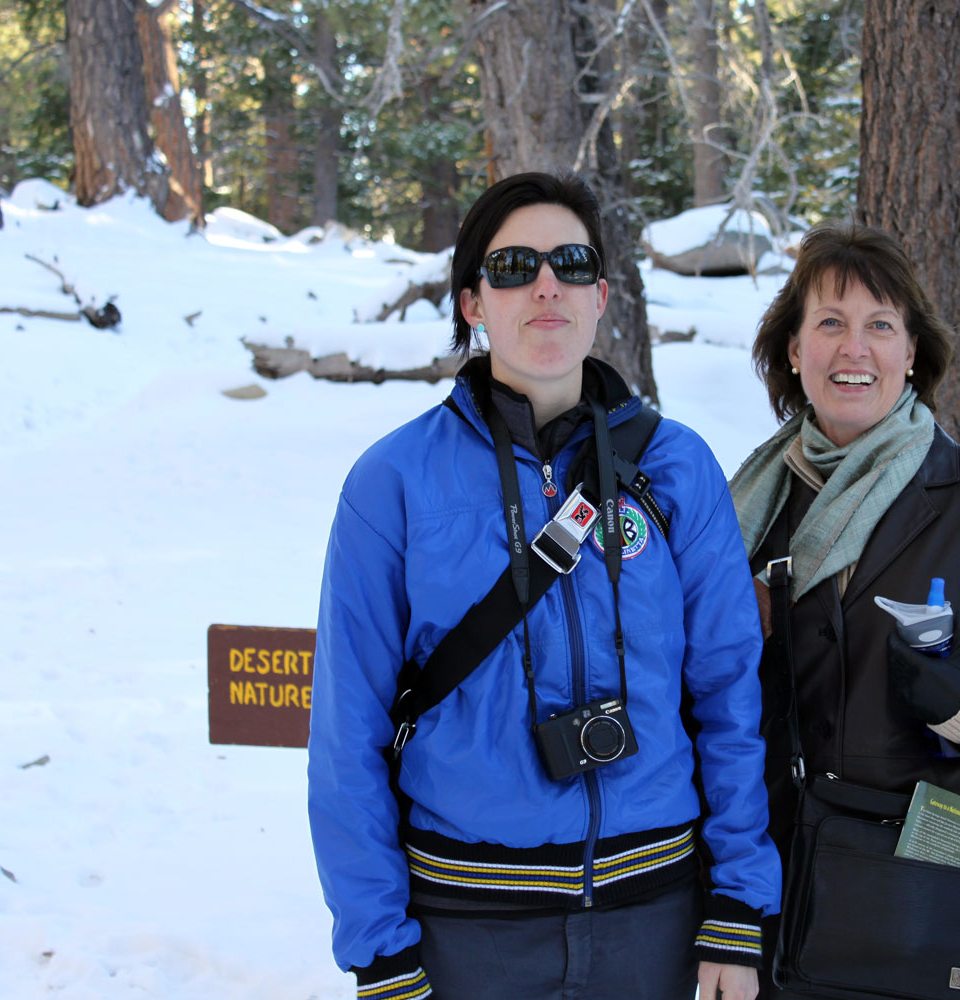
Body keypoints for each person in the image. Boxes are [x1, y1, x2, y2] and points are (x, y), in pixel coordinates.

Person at [309, 171, 779, 1000]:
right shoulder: (395, 483)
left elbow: (730, 693)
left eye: (571, 262)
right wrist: (380, 954)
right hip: (468, 929)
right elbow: (348, 731)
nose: (546, 285)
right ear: (473, 303)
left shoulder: (677, 468)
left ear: (602, 296)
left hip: (655, 921)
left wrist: (738, 906)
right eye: (514, 267)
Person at [728, 223, 960, 999]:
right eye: (830, 323)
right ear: (793, 349)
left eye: (880, 325)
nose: (853, 349)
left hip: (944, 905)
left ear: (911, 353)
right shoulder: (744, 513)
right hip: (791, 897)